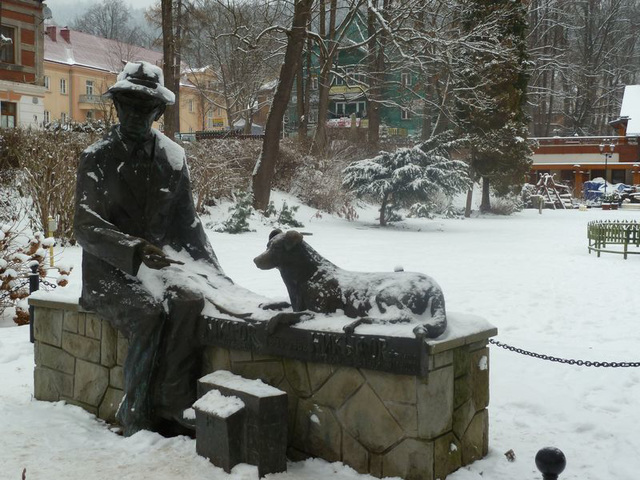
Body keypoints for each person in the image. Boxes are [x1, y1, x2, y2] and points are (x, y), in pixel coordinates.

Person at [74, 61, 269, 436]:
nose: (135, 114)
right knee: (149, 315)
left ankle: (173, 398)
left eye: (144, 108)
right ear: (117, 106)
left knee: (190, 302)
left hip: (159, 266)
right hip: (109, 272)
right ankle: (135, 412)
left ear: (158, 112)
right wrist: (134, 249)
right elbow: (85, 226)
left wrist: (216, 277)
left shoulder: (173, 158)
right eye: (128, 105)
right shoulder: (96, 157)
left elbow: (188, 227)